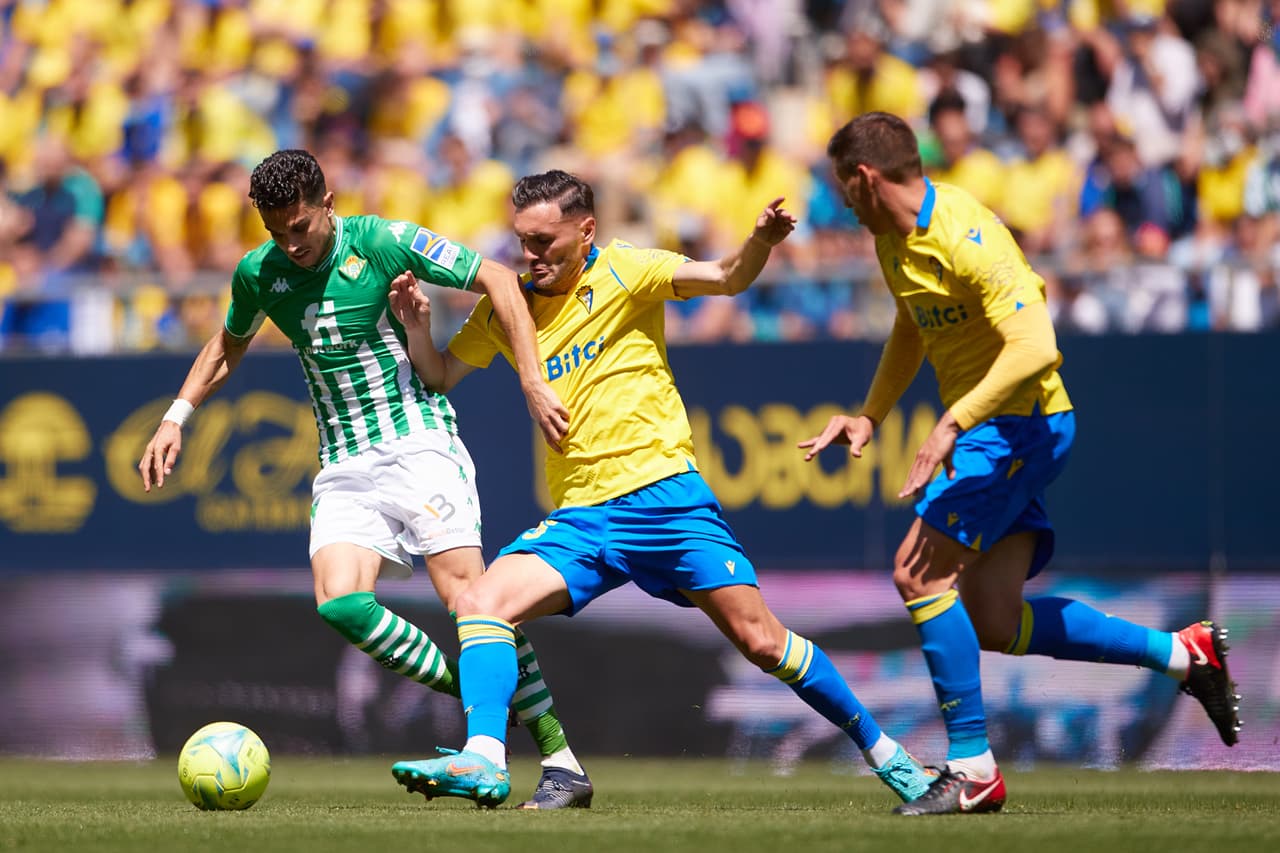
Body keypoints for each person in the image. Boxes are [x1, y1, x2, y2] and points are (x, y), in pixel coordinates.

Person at [383, 169, 936, 809]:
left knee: (762, 641)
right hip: (583, 518)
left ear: (585, 231)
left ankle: (887, 754)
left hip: (664, 500)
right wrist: (418, 329)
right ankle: (484, 758)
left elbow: (728, 277)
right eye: (521, 242)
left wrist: (759, 242)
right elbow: (442, 375)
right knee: (480, 603)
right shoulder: (509, 308)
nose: (529, 257)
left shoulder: (626, 271)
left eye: (543, 242)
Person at [800, 112, 1240, 816]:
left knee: (917, 571)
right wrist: (872, 413)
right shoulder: (891, 241)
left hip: (1019, 425)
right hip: (995, 427)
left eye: (843, 189)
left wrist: (953, 420)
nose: (841, 204)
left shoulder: (970, 232)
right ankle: (1184, 654)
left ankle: (972, 767)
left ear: (865, 178)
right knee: (997, 622)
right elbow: (913, 325)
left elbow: (1037, 346)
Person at [136, 149, 591, 809]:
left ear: (327, 202)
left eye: (300, 227)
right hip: (344, 463)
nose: (290, 244)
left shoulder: (381, 241)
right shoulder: (259, 273)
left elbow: (495, 275)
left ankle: (557, 755)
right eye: (275, 231)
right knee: (341, 601)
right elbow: (227, 345)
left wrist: (529, 378)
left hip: (419, 445)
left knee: (474, 602)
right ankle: (477, 695)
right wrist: (177, 415)